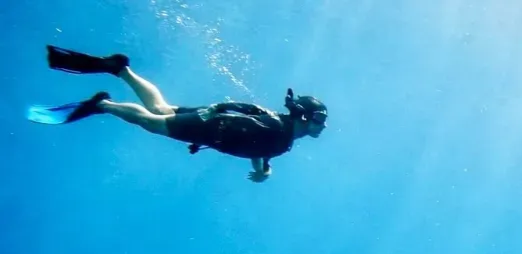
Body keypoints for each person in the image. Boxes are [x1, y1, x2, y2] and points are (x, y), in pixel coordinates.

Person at [27, 45, 328, 183]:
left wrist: (263, 170)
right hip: (210, 127)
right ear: (303, 115)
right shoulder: (279, 128)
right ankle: (103, 104)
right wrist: (217, 113)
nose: (322, 125)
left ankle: (121, 69)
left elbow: (258, 144)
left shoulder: (283, 136)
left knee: (160, 108)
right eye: (319, 118)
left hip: (211, 124)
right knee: (151, 122)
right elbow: (245, 117)